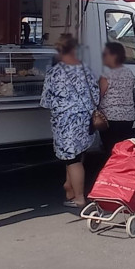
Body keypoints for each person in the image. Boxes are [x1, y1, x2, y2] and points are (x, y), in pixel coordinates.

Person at [40, 33, 99, 208]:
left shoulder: (55, 72)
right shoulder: (86, 69)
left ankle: (79, 197)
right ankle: (70, 188)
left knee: (72, 160)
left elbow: (45, 101)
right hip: (85, 120)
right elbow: (96, 95)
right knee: (76, 156)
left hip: (65, 123)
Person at [98, 42, 135, 154]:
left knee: (110, 151)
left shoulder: (106, 74)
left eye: (105, 54)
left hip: (109, 118)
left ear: (114, 56)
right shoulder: (129, 73)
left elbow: (99, 95)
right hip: (128, 117)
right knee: (123, 151)